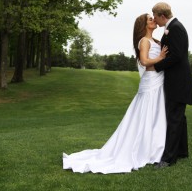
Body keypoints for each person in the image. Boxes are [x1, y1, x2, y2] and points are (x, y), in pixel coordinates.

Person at [62, 13, 168, 174]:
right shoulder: (144, 41)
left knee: (155, 115)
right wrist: (160, 57)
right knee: (146, 113)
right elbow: (145, 62)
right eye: (150, 19)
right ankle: (144, 149)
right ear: (143, 25)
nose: (153, 20)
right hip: (151, 81)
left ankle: (155, 147)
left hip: (159, 80)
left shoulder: (156, 40)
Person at [152, 2, 192, 168]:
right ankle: (182, 151)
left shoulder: (175, 27)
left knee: (174, 119)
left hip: (178, 81)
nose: (155, 20)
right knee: (179, 118)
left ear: (162, 16)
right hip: (178, 80)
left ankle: (168, 159)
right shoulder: (173, 27)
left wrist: (155, 66)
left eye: (155, 17)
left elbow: (176, 56)